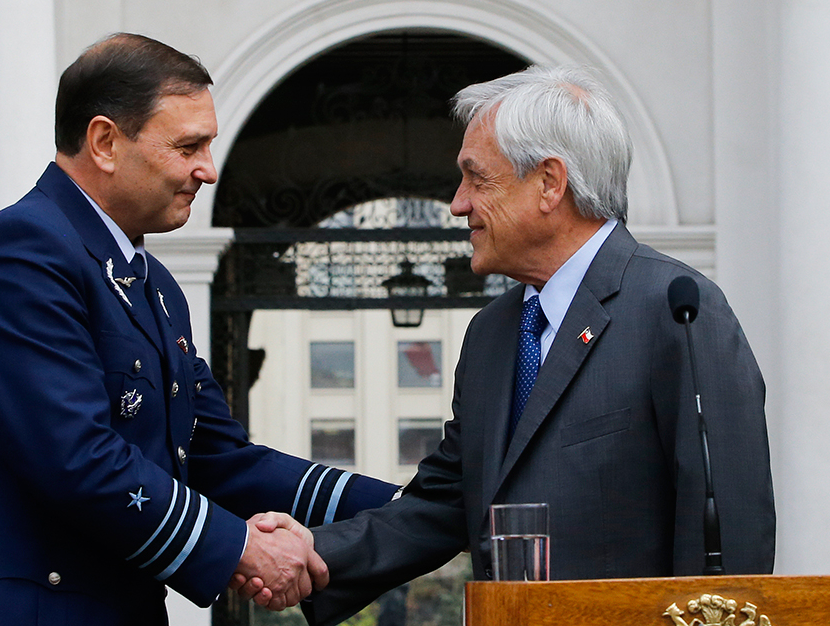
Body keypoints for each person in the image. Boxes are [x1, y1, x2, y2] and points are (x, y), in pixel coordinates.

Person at [0, 33, 396, 625]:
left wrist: (411, 510)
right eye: (188, 145)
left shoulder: (150, 284)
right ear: (104, 141)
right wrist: (241, 549)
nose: (207, 168)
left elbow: (216, 456)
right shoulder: (22, 253)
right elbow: (77, 459)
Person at [269, 65, 776, 626]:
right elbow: (444, 502)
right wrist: (313, 554)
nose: (458, 204)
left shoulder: (677, 310)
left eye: (475, 178)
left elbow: (728, 529)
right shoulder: (490, 333)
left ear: (549, 184)